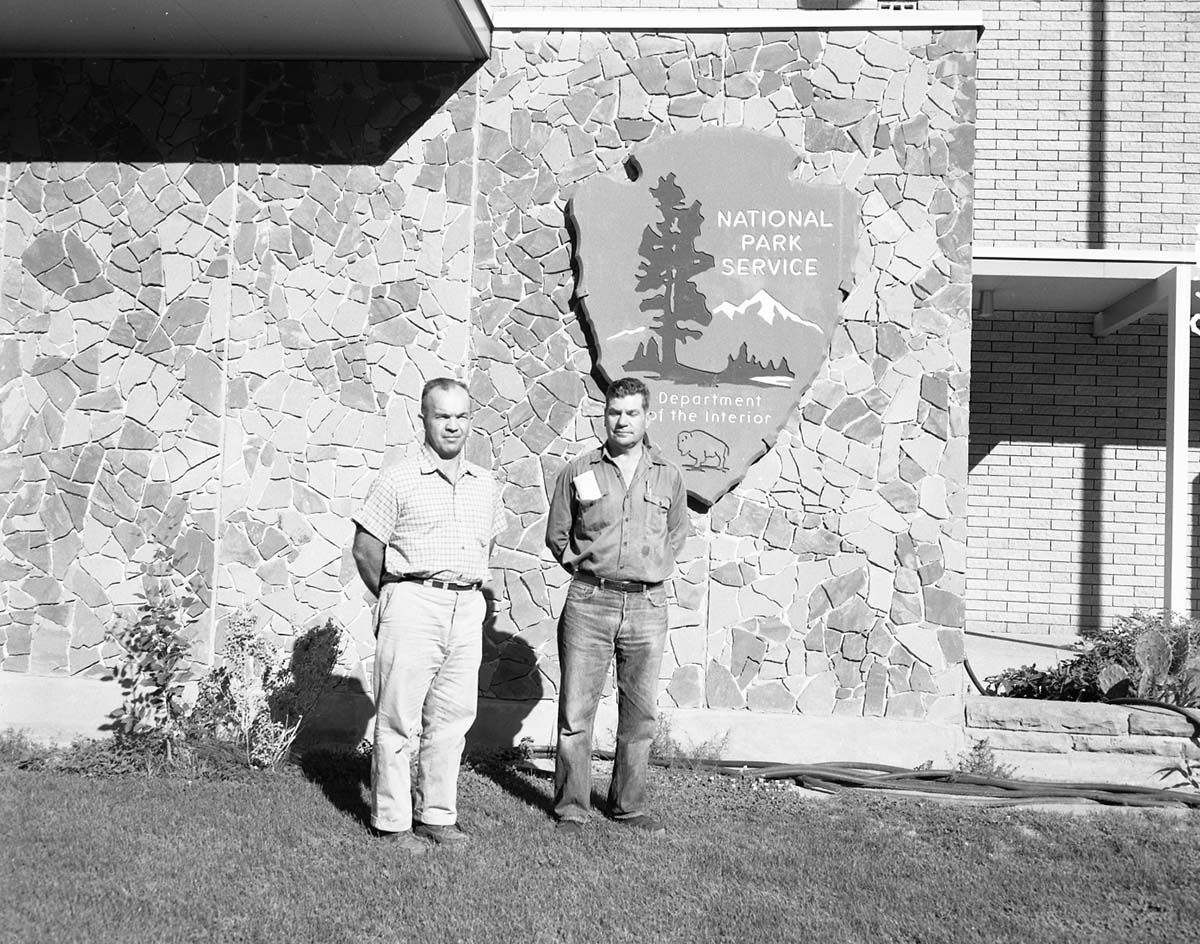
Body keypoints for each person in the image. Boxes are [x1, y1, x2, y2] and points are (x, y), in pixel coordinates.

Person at [351, 377, 503, 853]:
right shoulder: (397, 478)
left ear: (469, 421)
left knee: (452, 719)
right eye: (443, 416)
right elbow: (365, 548)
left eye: (460, 416)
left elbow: (488, 544)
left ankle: (437, 815)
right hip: (412, 601)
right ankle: (392, 822)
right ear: (424, 419)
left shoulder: (485, 484)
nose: (452, 426)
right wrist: (395, 597)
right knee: (398, 719)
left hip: (465, 605)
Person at [545, 376, 689, 835]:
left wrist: (648, 566)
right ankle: (571, 808)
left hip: (648, 606)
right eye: (614, 411)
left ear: (647, 417)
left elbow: (677, 533)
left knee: (640, 714)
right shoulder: (579, 470)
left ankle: (628, 805)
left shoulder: (668, 474)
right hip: (589, 601)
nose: (621, 420)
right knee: (575, 712)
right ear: (604, 414)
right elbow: (557, 534)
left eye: (631, 412)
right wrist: (587, 568)